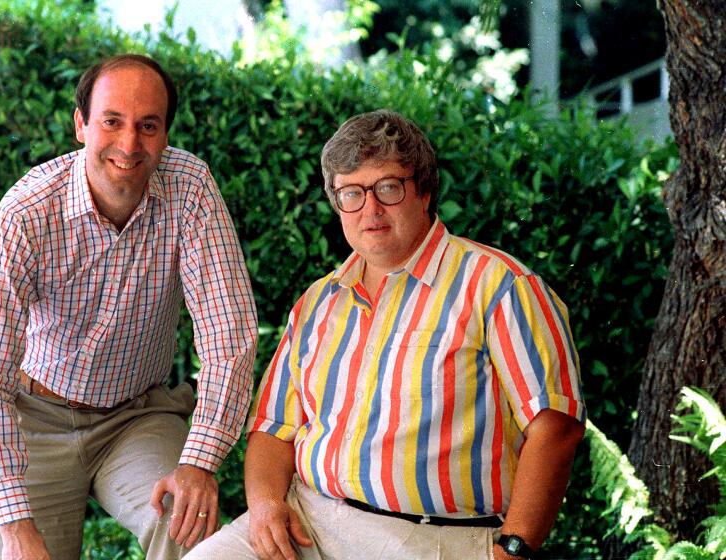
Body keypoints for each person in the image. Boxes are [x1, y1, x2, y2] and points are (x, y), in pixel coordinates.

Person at [188, 109, 586, 560]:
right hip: (307, 524)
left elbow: (556, 427)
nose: (370, 209)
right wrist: (264, 507)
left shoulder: (500, 286)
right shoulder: (319, 301)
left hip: (431, 540)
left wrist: (513, 550)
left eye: (388, 188)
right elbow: (272, 429)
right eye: (352, 193)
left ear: (425, 191)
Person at [0, 53, 258, 560]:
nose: (129, 144)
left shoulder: (189, 190)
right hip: (32, 421)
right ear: (81, 124)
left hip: (136, 417)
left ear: (165, 133)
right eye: (111, 121)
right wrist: (15, 525)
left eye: (148, 125)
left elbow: (228, 336)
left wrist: (200, 461)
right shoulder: (25, 217)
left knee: (190, 531)